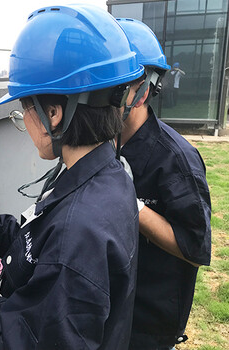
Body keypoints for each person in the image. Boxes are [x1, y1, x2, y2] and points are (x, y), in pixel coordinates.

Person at [0, 5, 144, 349]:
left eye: (24, 112)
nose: (24, 126)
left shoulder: (77, 229)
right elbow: (40, 244)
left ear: (53, 113)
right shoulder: (106, 175)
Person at [115, 18, 211, 350]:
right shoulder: (104, 145)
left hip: (147, 331)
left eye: (115, 85)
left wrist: (132, 206)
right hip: (108, 318)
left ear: (143, 89)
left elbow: (196, 248)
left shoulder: (177, 160)